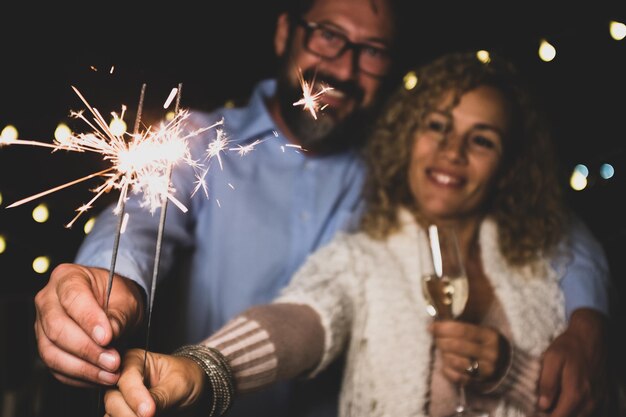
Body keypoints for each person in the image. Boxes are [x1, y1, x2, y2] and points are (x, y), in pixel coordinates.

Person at [34, 1, 611, 416]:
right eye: (328, 35)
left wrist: (589, 321)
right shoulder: (198, 139)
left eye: (373, 51)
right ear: (286, 30)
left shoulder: (395, 174)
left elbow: (552, 225)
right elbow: (136, 226)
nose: (342, 65)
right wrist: (107, 282)